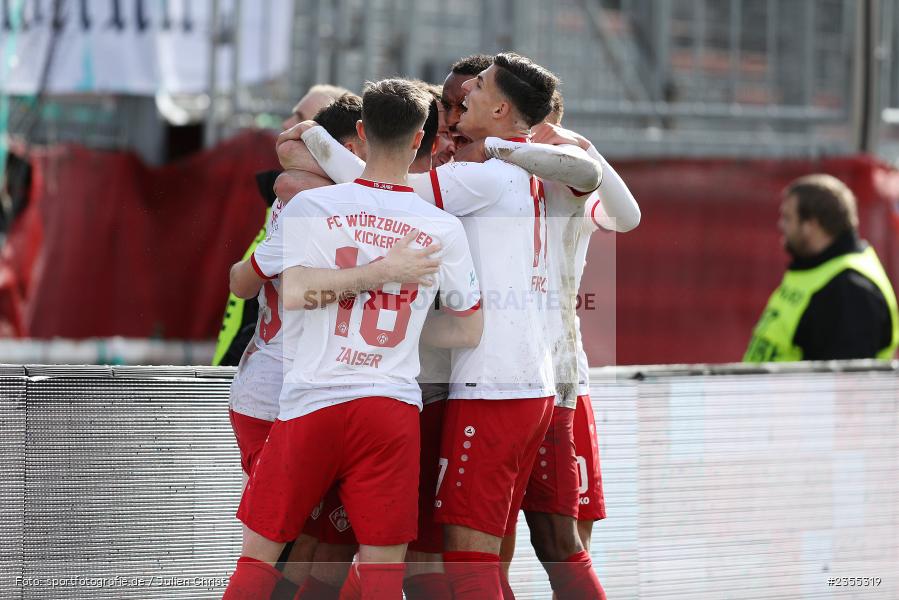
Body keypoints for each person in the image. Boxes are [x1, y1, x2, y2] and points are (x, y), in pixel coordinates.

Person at [294, 52, 604, 600]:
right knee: (503, 554)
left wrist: (317, 141)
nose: (462, 101)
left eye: (477, 89)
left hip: (494, 385)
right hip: (529, 385)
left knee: (469, 562)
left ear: (501, 106)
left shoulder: (485, 176)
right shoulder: (526, 172)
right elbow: (590, 179)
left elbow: (380, 190)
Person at [222, 78, 483, 600]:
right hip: (389, 408)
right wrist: (396, 296)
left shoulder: (313, 207)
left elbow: (290, 290)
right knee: (384, 575)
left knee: (259, 558)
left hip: (310, 401)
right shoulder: (441, 227)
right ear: (422, 142)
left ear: (361, 132)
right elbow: (469, 328)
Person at [498, 90, 641, 599]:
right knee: (490, 542)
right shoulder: (483, 179)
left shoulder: (573, 182)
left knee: (565, 538)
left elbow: (627, 216)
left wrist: (586, 148)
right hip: (492, 376)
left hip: (561, 377)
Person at [213, 84, 350, 367]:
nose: (287, 125)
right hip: (248, 362)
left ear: (335, 148)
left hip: (281, 372)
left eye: (303, 121)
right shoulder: (280, 195)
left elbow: (280, 288)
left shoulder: (319, 207)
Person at [745, 174, 898, 362]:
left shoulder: (850, 291)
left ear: (811, 225)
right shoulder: (819, 270)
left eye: (787, 218)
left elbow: (845, 384)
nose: (781, 225)